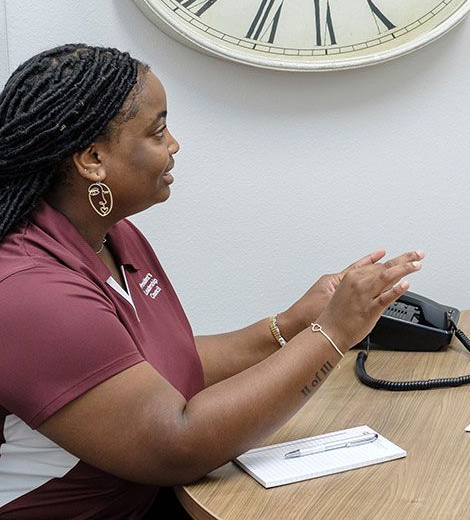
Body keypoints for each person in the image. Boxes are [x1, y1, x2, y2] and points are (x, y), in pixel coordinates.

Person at [0, 44, 424, 518]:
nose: (174, 145)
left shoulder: (113, 235)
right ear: (93, 159)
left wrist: (294, 322)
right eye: (157, 131)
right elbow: (175, 444)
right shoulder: (30, 290)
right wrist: (334, 333)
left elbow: (149, 367)